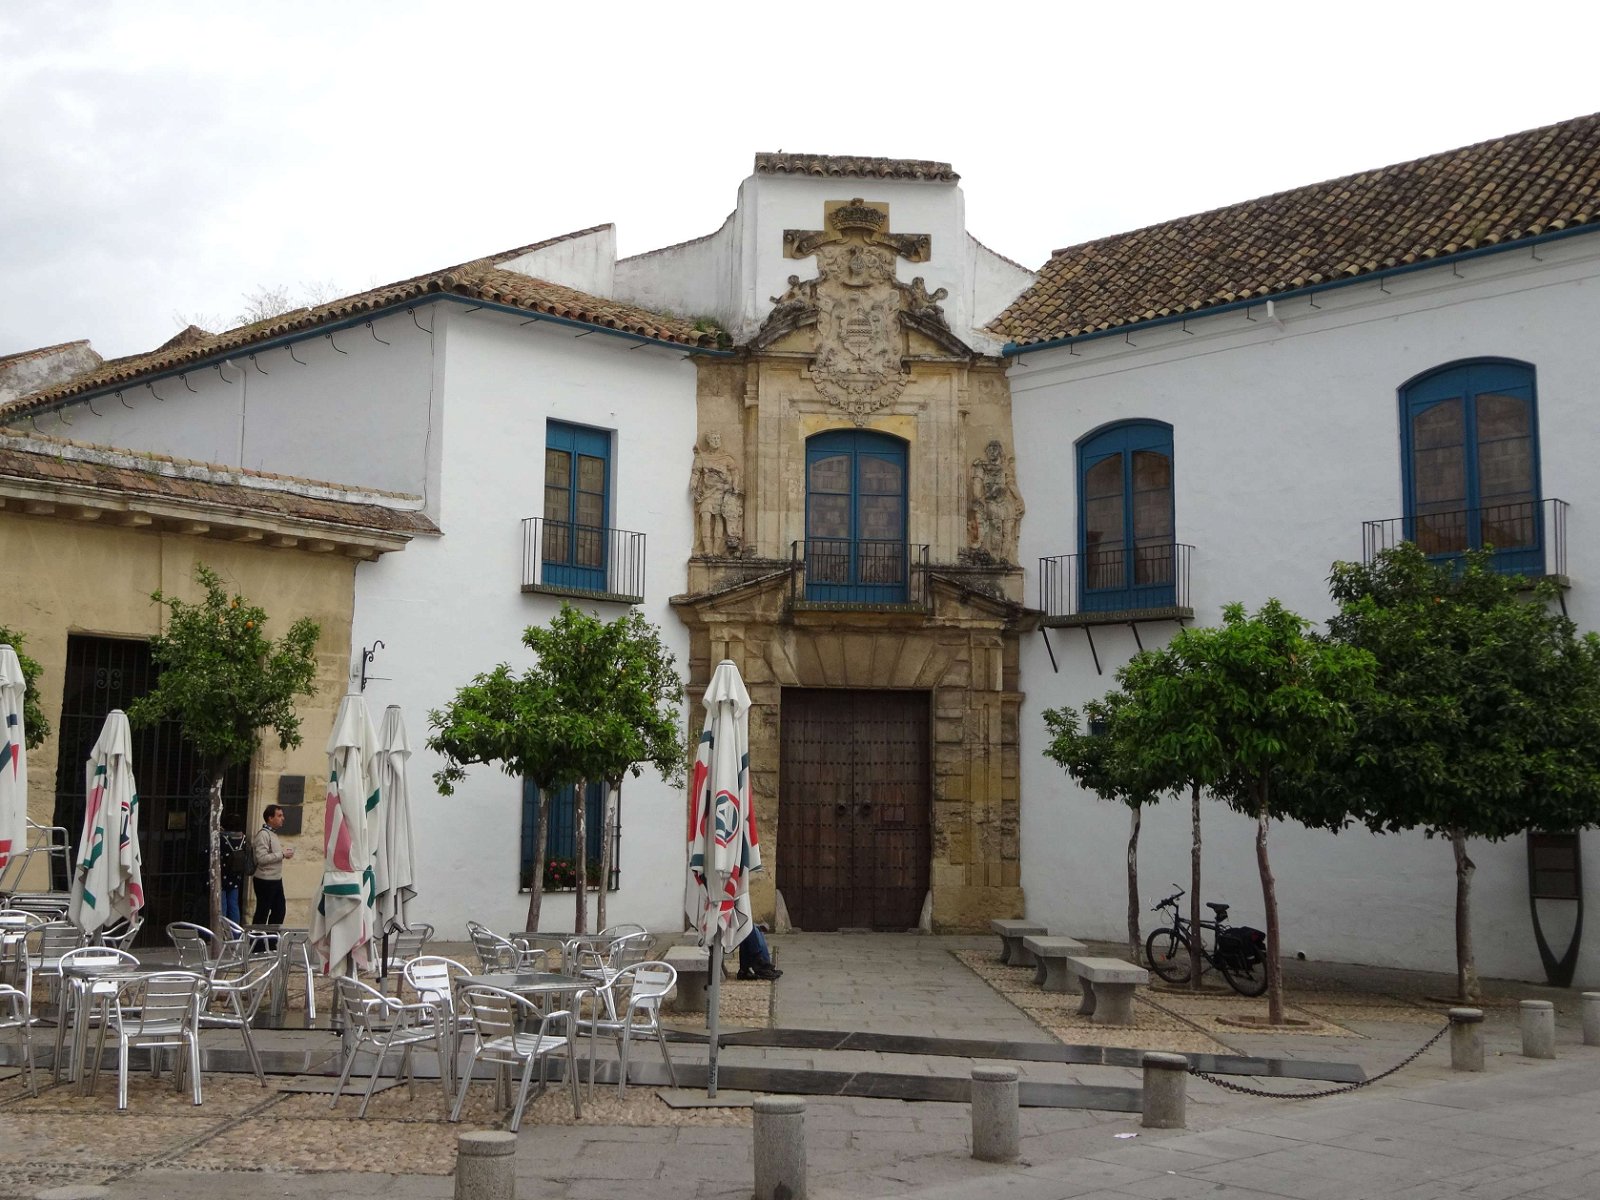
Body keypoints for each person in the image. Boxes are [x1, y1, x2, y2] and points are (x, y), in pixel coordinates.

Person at [251, 804, 294, 925]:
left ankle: (271, 941)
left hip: (275, 879)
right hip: (265, 880)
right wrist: (282, 854)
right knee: (262, 912)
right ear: (270, 818)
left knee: (279, 910)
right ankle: (257, 941)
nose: (283, 818)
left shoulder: (273, 834)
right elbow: (261, 858)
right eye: (279, 815)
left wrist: (283, 854)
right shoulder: (263, 835)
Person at [219, 830, 247, 925]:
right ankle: (235, 931)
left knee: (223, 905)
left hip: (223, 874)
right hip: (235, 874)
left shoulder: (222, 839)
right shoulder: (242, 838)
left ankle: (222, 930)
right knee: (233, 904)